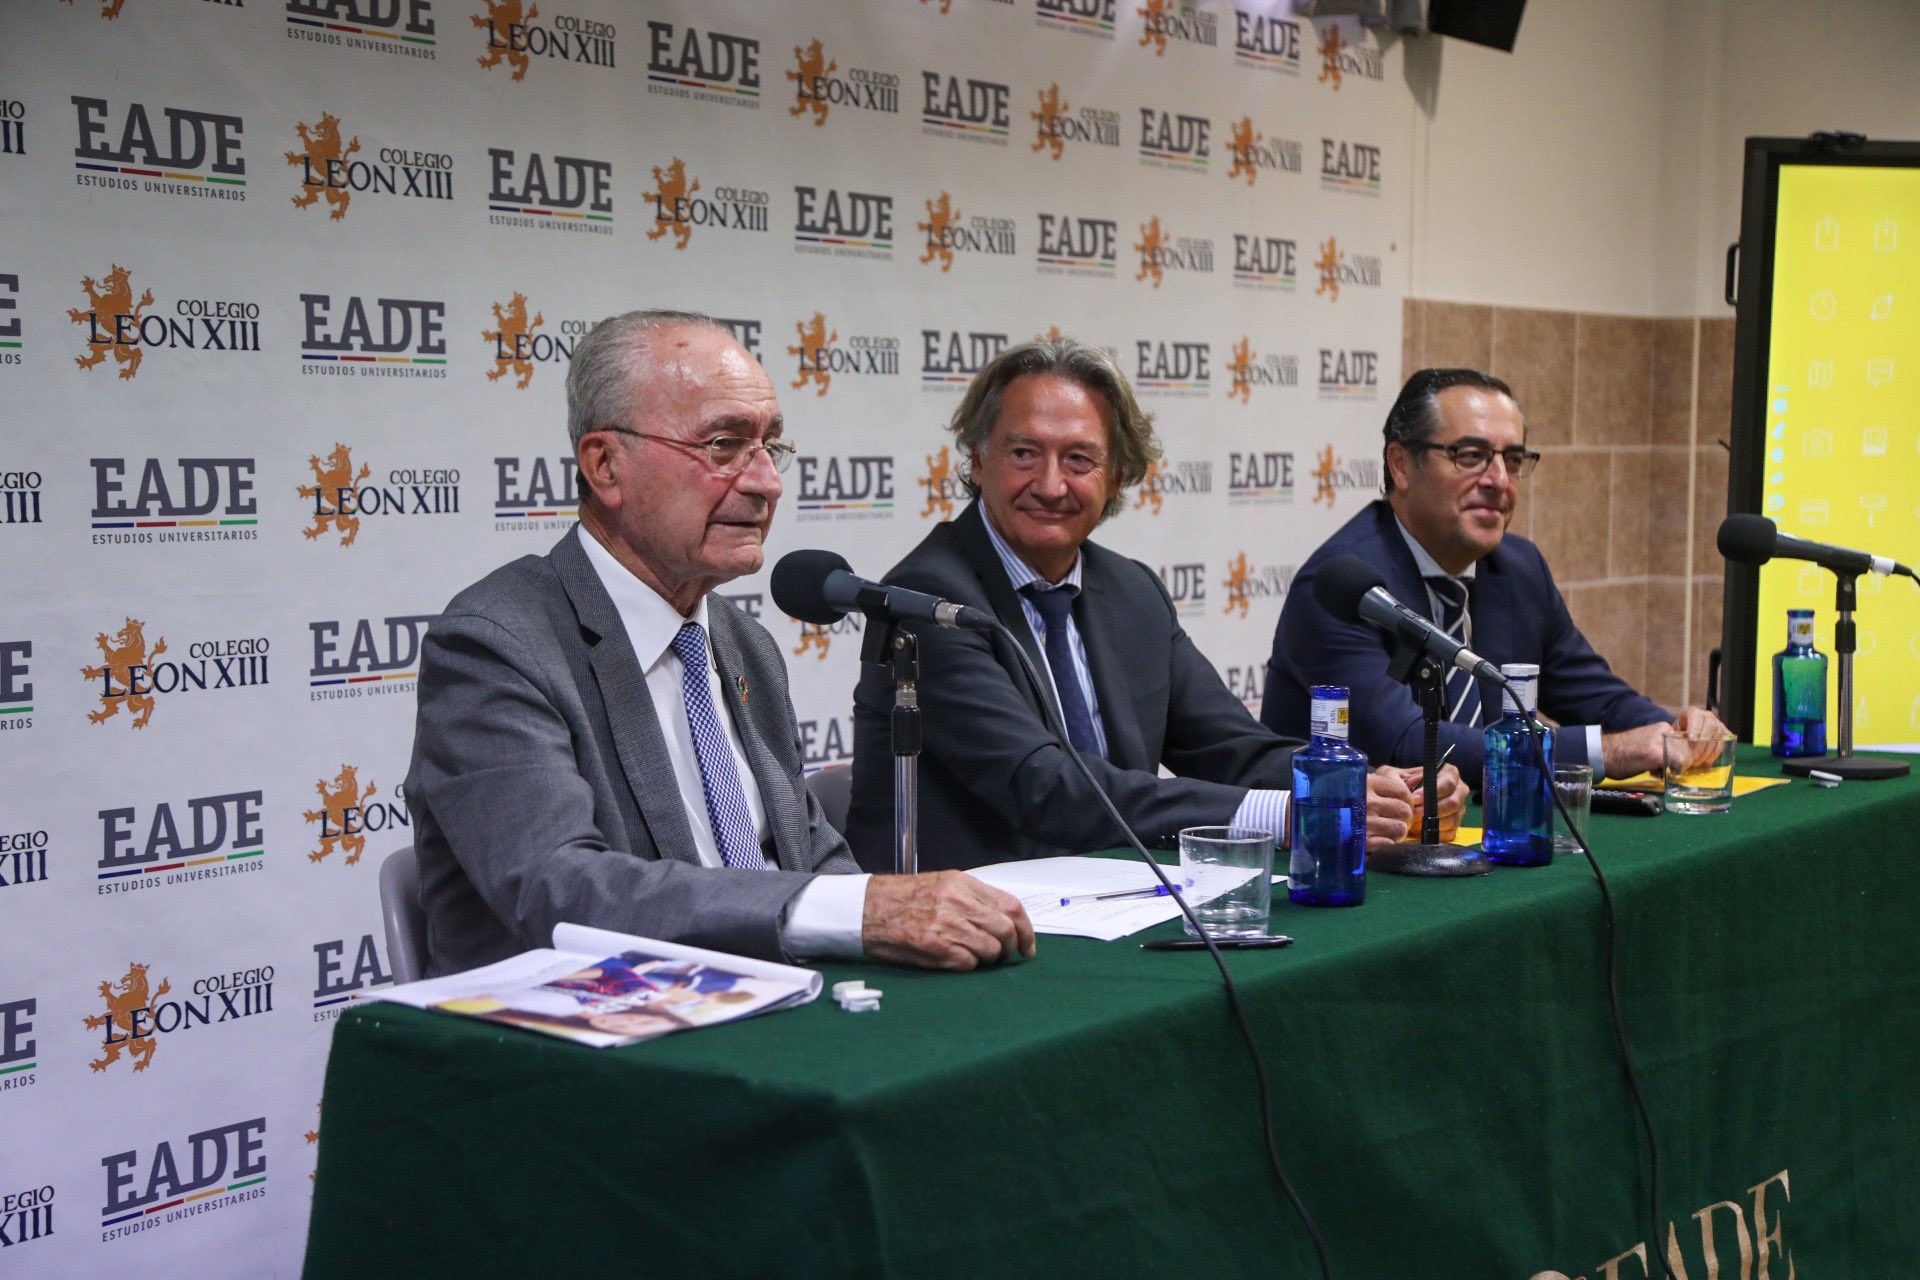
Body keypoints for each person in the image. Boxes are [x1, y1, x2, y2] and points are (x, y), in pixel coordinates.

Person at [406, 310, 1033, 977]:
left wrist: (896, 913)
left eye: (770, 447)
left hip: (769, 1006)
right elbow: (558, 889)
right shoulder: (496, 644)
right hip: (585, 1041)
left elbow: (806, 854)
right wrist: (858, 912)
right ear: (606, 465)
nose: (766, 481)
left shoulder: (741, 642)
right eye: (724, 446)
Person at [844, 337, 1465, 874]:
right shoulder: (928, 602)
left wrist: (1353, 785)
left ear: (1118, 477)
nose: (1052, 484)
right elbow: (1046, 790)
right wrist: (1287, 811)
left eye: (1080, 459)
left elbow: (1231, 749)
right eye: (1023, 453)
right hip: (969, 916)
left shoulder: (1131, 591)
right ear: (977, 460)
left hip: (1112, 899)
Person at [1261, 367, 1728, 781]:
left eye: (1514, 461)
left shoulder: (1518, 568)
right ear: (1401, 466)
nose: (1499, 480)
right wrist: (1608, 752)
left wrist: (1677, 728)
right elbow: (1405, 744)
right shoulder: (1344, 590)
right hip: (1346, 849)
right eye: (1470, 456)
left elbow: (1596, 698)